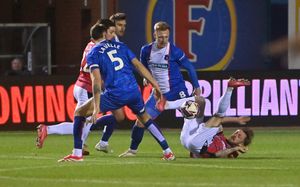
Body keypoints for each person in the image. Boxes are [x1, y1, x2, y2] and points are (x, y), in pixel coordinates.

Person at [58, 24, 175, 162]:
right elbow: (138, 65)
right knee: (144, 118)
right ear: (105, 35)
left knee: (79, 113)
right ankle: (168, 151)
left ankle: (77, 154)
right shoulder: (121, 46)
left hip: (115, 94)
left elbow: (96, 80)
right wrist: (156, 85)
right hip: (133, 91)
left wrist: (96, 107)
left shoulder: (93, 52)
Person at [36, 19, 123, 155]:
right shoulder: (97, 48)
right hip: (86, 88)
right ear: (104, 34)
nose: (111, 35)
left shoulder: (91, 45)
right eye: (110, 32)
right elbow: (89, 68)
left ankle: (81, 146)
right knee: (81, 123)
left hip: (80, 86)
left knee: (83, 122)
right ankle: (49, 130)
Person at [118, 21, 201, 157]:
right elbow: (143, 65)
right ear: (154, 35)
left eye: (166, 37)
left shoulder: (174, 51)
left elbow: (190, 67)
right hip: (158, 94)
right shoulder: (146, 50)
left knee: (192, 117)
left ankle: (197, 148)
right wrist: (146, 77)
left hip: (177, 91)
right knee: (140, 121)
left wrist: (196, 86)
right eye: (161, 37)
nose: (164, 40)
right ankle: (132, 150)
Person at [180, 78, 254, 158]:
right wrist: (237, 119)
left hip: (197, 146)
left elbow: (216, 155)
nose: (235, 135)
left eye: (239, 136)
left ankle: (230, 88)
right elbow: (220, 121)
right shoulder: (220, 135)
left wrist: (236, 148)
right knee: (200, 101)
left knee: (218, 117)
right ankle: (178, 94)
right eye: (236, 133)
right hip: (186, 138)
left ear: (241, 144)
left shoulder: (232, 153)